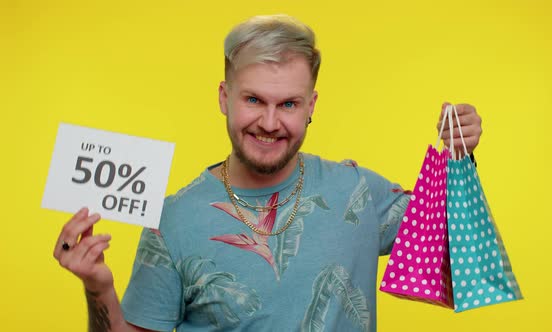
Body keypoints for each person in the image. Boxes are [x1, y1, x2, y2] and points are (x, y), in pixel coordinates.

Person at [53, 14, 482, 332]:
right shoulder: (173, 220)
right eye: (254, 100)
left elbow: (458, 246)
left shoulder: (358, 193)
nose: (270, 122)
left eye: (289, 104)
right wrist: (98, 287)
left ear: (311, 106)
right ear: (224, 97)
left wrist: (459, 156)